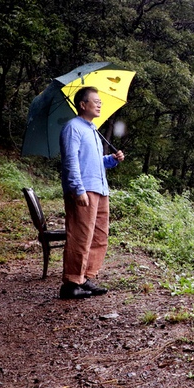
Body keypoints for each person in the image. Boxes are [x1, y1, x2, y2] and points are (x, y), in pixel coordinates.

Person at [58, 86, 125, 300]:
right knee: (80, 236)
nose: (99, 104)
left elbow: (94, 162)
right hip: (84, 190)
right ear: (82, 104)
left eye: (100, 102)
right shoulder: (73, 128)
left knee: (99, 236)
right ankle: (71, 283)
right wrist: (78, 190)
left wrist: (112, 160)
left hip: (100, 188)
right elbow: (70, 162)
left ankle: (85, 277)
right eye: (95, 101)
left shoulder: (92, 129)